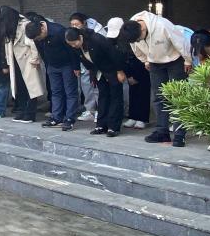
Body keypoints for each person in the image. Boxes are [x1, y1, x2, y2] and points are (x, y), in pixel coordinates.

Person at [118, 11, 192, 147]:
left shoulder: (162, 25)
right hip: (154, 63)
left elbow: (180, 41)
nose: (138, 41)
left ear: (142, 29)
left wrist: (187, 59)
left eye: (139, 39)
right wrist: (145, 60)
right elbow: (136, 48)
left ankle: (180, 134)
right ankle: (162, 132)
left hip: (175, 60)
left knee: (178, 96)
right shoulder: (131, 28)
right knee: (158, 97)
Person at [65, 26, 126, 136]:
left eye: (74, 43)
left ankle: (113, 127)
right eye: (71, 44)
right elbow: (86, 62)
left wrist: (120, 71)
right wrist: (92, 75)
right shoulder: (75, 47)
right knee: (102, 97)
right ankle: (101, 125)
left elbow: (113, 54)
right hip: (98, 71)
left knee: (115, 97)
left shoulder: (96, 39)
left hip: (112, 69)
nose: (73, 46)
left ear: (80, 37)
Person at [26, 18, 80, 131]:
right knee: (55, 92)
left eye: (39, 37)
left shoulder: (59, 31)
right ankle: (56, 117)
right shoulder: (37, 36)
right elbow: (41, 51)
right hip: (52, 66)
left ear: (42, 28)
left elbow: (72, 49)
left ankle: (69, 119)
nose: (39, 40)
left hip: (67, 65)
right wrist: (47, 65)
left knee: (70, 92)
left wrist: (76, 66)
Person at [0, 6, 44, 123]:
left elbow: (33, 44)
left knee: (31, 88)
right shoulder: (8, 28)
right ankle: (22, 111)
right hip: (15, 62)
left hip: (28, 61)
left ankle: (30, 114)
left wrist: (35, 59)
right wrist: (7, 62)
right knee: (20, 88)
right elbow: (7, 47)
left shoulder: (25, 25)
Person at [106, 17, 151, 130]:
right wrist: (129, 75)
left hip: (142, 65)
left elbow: (140, 55)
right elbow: (121, 58)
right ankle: (133, 116)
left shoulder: (133, 36)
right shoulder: (114, 42)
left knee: (143, 92)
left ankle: (142, 118)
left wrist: (135, 74)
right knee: (133, 92)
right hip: (129, 68)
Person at [69, 12, 106, 121]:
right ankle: (90, 110)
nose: (74, 27)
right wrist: (76, 66)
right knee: (86, 86)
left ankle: (100, 110)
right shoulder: (72, 34)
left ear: (84, 23)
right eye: (72, 24)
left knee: (97, 88)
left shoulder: (96, 30)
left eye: (77, 24)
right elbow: (74, 51)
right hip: (84, 63)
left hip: (97, 63)